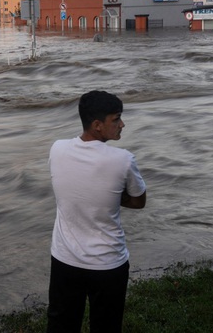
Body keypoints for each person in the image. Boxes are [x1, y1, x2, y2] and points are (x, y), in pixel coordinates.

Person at [47, 90, 147, 333]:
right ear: (97, 125)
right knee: (106, 325)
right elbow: (138, 201)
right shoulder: (123, 159)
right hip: (108, 263)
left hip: (65, 259)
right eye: (116, 119)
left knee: (61, 324)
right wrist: (109, 196)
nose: (122, 124)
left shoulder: (57, 148)